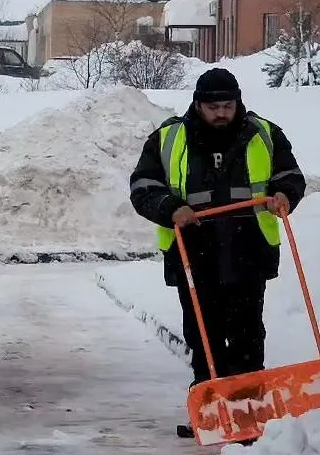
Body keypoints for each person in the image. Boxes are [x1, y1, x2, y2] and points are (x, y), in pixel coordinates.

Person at [128, 67, 306, 439]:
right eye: (214, 107)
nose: (222, 113)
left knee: (247, 334)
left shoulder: (264, 134)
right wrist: (169, 207)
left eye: (228, 105)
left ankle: (247, 415)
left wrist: (284, 194)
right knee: (202, 335)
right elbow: (143, 186)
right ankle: (211, 411)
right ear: (198, 105)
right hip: (194, 251)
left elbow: (290, 175)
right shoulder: (168, 137)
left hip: (249, 248)